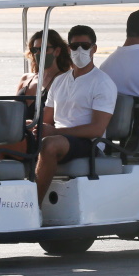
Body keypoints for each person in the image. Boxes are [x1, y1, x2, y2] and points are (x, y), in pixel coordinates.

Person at [34, 25, 117, 204]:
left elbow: (96, 129)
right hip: (61, 138)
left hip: (88, 143)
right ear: (68, 49)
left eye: (85, 46)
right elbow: (47, 120)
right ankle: (5, 202)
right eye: (74, 46)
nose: (80, 50)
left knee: (49, 144)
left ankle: (35, 205)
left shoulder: (102, 82)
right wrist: (33, 127)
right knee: (9, 141)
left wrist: (55, 132)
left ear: (94, 49)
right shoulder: (60, 80)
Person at [0, 29, 71, 161]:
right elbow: (13, 112)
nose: (38, 53)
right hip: (18, 132)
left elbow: (49, 122)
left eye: (43, 49)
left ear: (57, 51)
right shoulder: (26, 79)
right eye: (35, 50)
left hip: (38, 136)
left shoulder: (63, 81)